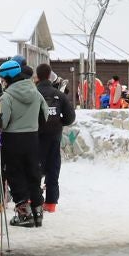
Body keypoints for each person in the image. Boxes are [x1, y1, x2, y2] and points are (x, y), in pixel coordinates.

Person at [0, 58, 44, 228]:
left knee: (16, 175)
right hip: (32, 137)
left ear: (7, 78)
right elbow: (44, 115)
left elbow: (4, 121)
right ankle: (38, 212)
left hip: (13, 139)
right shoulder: (36, 92)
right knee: (33, 173)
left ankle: (24, 214)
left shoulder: (7, 96)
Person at [36, 64, 75, 213]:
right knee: (53, 168)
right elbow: (70, 117)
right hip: (54, 136)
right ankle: (51, 203)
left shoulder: (34, 93)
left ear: (38, 77)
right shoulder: (59, 95)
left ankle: (34, 199)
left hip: (37, 136)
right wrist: (60, 123)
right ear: (50, 76)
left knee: (35, 168)